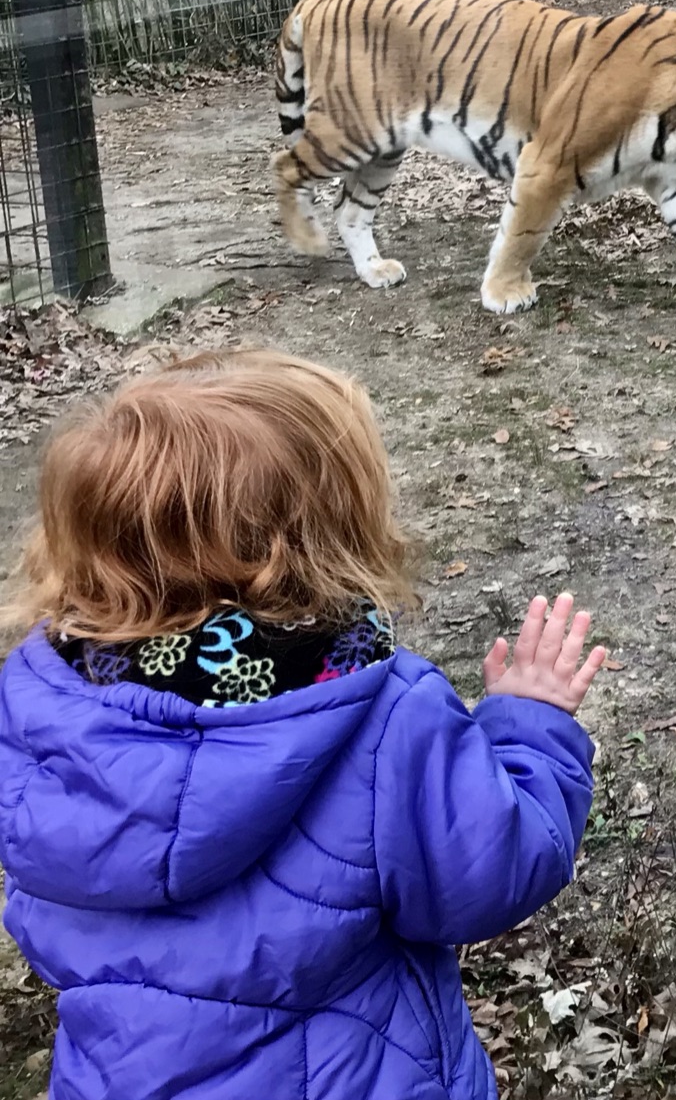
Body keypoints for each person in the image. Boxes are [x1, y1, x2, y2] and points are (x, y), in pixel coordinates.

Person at [0, 350, 608, 1100]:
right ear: (324, 537)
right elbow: (490, 872)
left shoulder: (41, 707)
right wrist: (530, 724)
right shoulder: (383, 718)